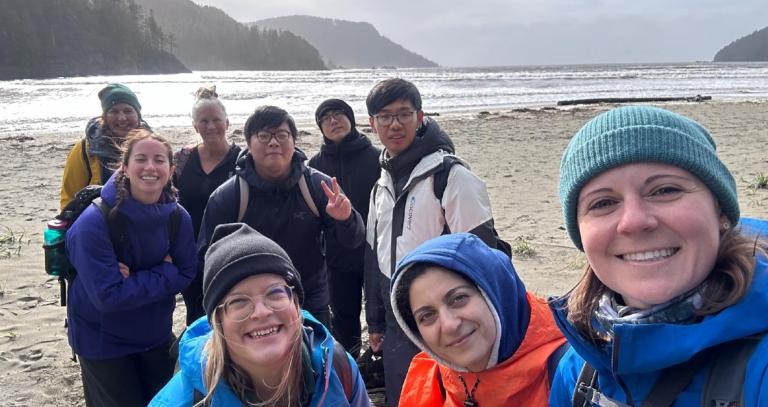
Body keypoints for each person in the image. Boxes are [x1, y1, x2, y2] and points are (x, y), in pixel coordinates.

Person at [549, 105, 768, 405]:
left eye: (664, 190)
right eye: (603, 203)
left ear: (720, 212)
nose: (634, 221)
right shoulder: (579, 369)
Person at [363, 78, 503, 405]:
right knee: (408, 394)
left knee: (452, 392)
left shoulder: (450, 177)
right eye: (385, 116)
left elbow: (483, 254)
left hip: (446, 316)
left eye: (403, 114)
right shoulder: (379, 187)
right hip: (399, 320)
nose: (394, 124)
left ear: (420, 117)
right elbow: (373, 255)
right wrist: (375, 322)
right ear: (372, 124)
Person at [150, 223, 371, 406]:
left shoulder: (337, 368)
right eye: (239, 301)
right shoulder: (182, 401)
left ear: (295, 303)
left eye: (274, 293)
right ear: (218, 322)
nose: (262, 312)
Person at [197, 105, 365, 327]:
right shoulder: (229, 196)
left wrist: (345, 219)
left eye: (282, 135)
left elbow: (352, 241)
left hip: (309, 300)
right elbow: (208, 257)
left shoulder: (317, 186)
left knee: (314, 360)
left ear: (294, 141)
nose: (274, 142)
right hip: (253, 305)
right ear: (248, 143)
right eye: (264, 136)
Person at [65, 129, 197, 406]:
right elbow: (109, 297)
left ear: (171, 169)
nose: (150, 167)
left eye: (159, 160)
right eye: (141, 159)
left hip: (155, 334)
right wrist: (164, 272)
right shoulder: (93, 223)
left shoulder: (177, 217)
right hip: (102, 341)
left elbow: (187, 272)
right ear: (125, 167)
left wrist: (133, 279)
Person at [391, 233, 567, 406]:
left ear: (496, 292)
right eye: (427, 316)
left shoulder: (574, 369)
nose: (449, 325)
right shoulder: (431, 379)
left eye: (458, 299)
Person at [308, 98, 380, 357]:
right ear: (321, 127)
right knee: (343, 316)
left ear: (351, 120)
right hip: (336, 256)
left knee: (379, 315)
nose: (333, 121)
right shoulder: (314, 167)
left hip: (375, 251)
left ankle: (381, 365)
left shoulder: (377, 158)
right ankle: (350, 364)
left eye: (338, 115)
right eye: (326, 118)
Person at [175, 85, 241, 325]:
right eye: (204, 121)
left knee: (227, 313)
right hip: (188, 252)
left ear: (227, 122)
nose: (210, 126)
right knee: (195, 314)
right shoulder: (182, 159)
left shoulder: (241, 160)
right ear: (195, 126)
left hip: (228, 251)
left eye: (216, 120)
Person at [60, 83, 147, 209]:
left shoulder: (153, 147)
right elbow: (70, 196)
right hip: (99, 222)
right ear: (104, 117)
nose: (122, 118)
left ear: (138, 115)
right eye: (114, 111)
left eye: (128, 111)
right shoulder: (85, 150)